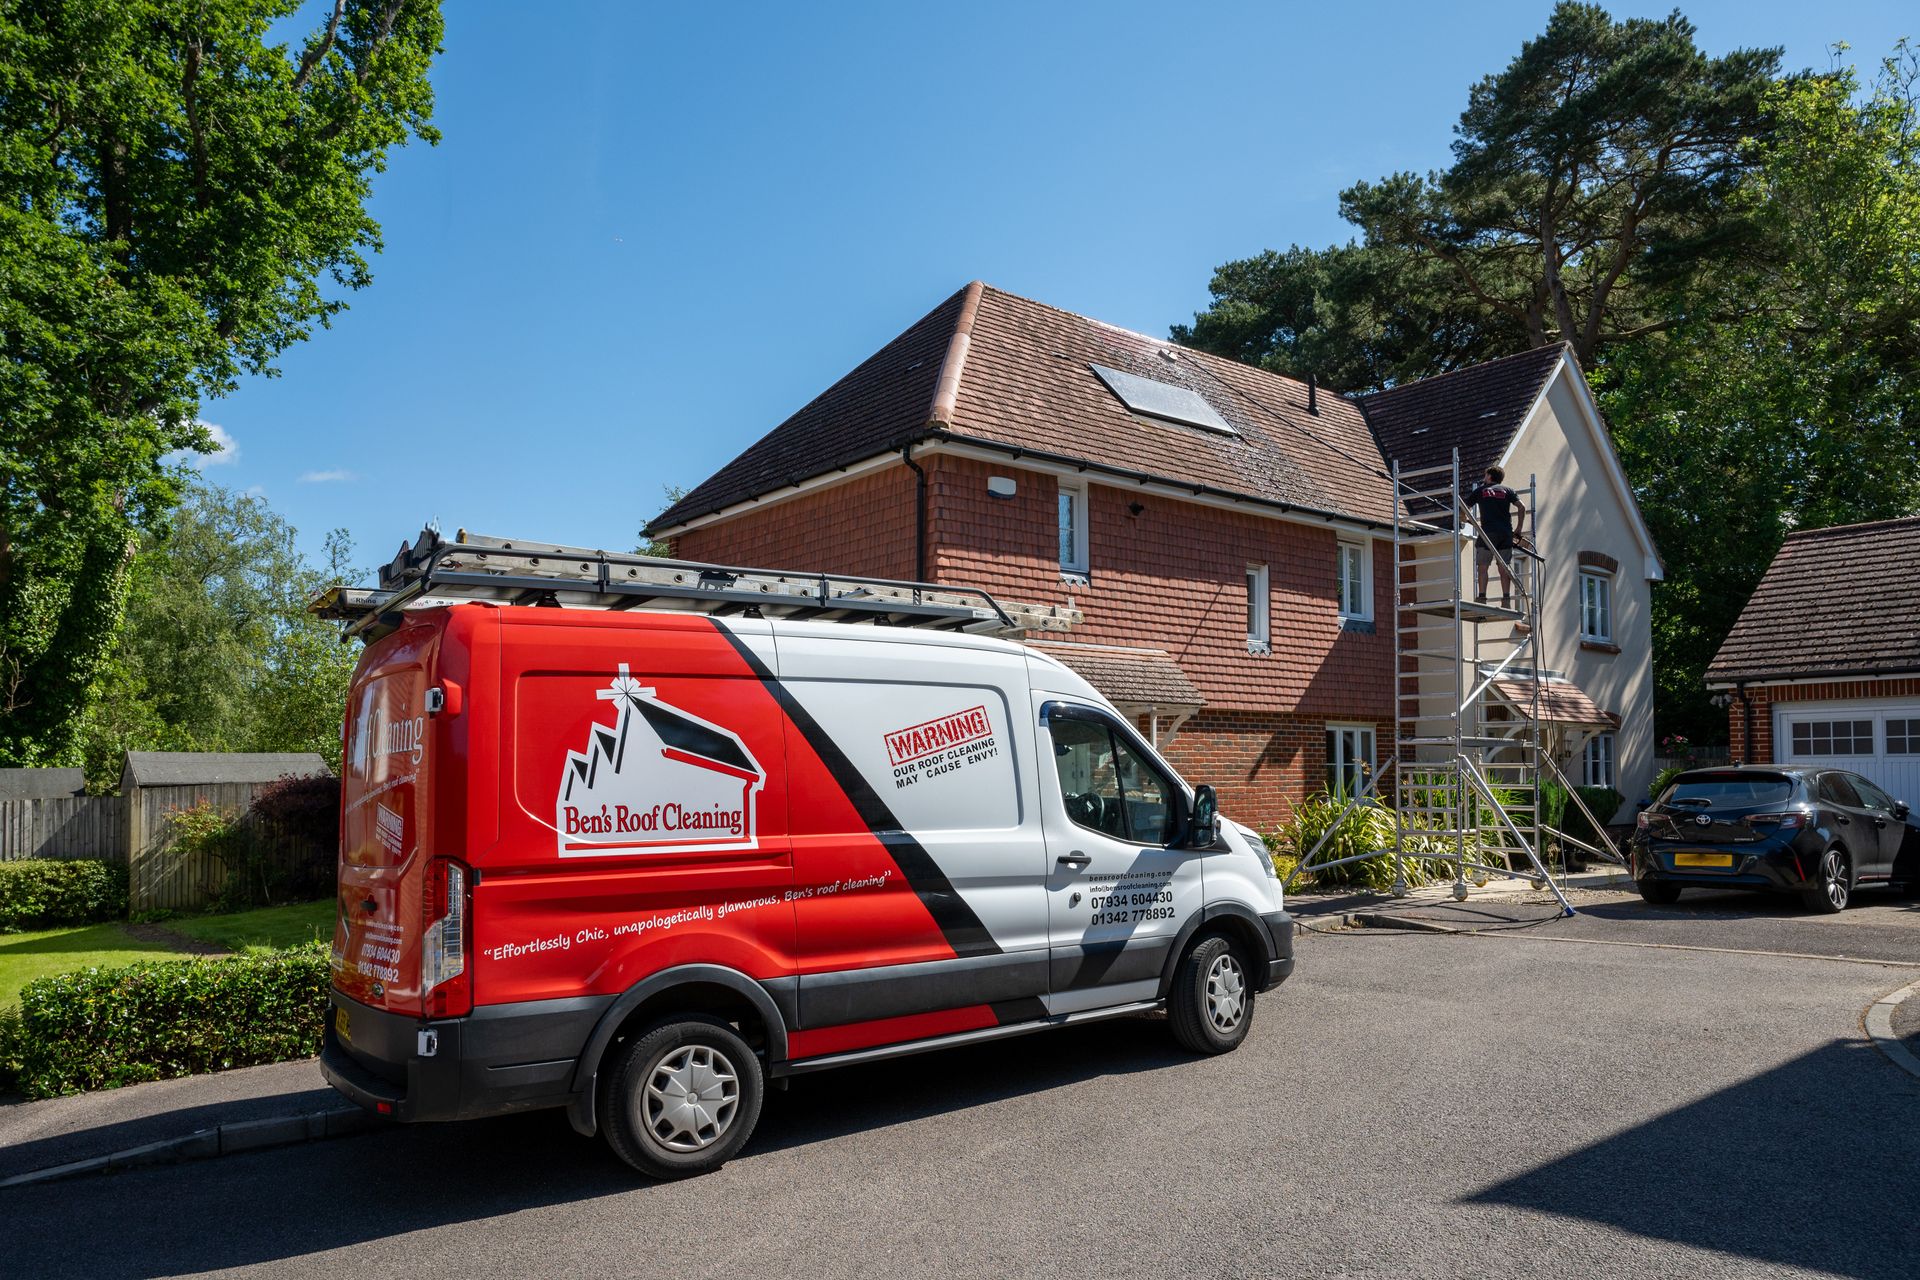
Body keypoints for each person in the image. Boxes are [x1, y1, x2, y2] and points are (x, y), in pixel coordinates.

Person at [1464, 466, 1527, 611]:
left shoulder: (1481, 490)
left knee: (1483, 566)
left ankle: (1482, 597)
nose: (1484, 478)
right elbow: (1521, 507)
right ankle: (1506, 599)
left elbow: (1464, 508)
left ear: (1489, 476)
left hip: (1487, 533)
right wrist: (1518, 528)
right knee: (1504, 567)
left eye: (1485, 475)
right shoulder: (1507, 490)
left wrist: (1465, 519)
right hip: (1505, 533)